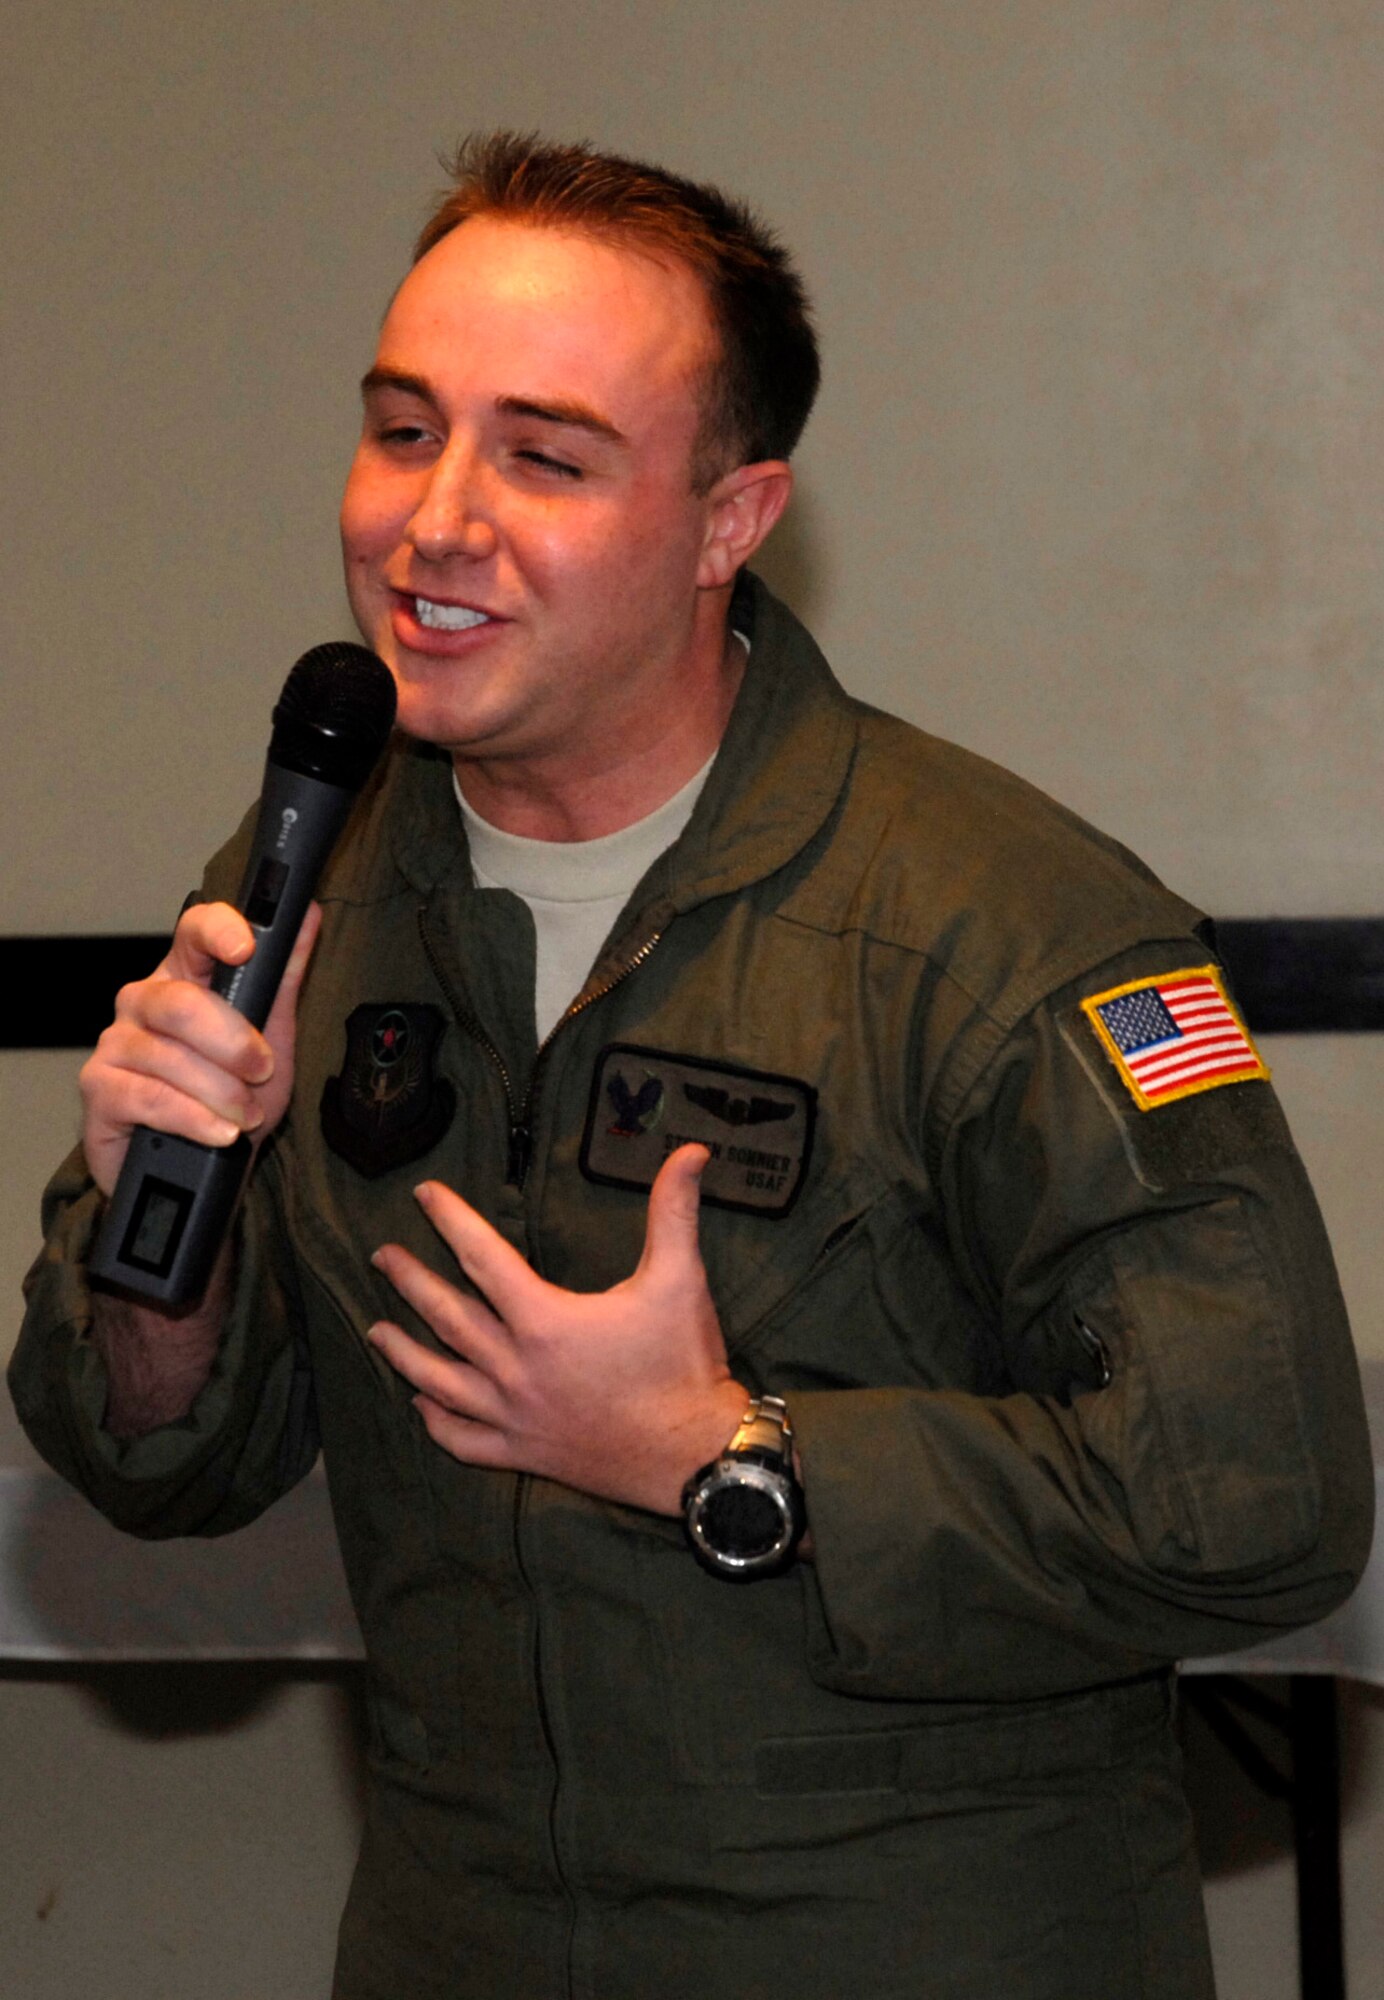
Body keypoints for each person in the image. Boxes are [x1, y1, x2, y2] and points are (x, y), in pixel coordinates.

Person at [11, 133, 1374, 2000]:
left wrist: (729, 1459)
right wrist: (174, 1220)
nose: (436, 522)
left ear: (732, 521)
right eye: (404, 431)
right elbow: (163, 1461)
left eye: (545, 457)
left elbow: (1264, 1499)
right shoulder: (312, 882)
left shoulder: (1002, 923)